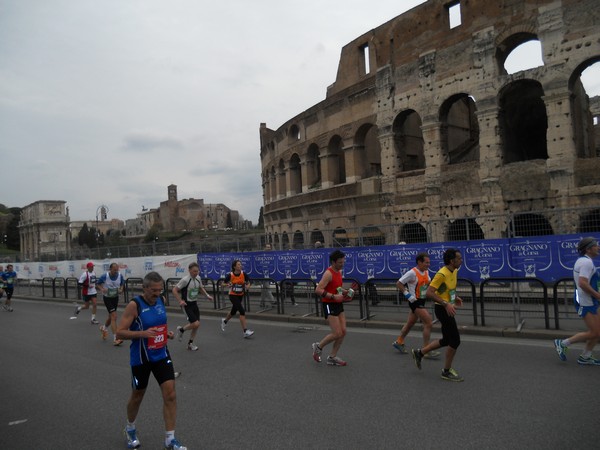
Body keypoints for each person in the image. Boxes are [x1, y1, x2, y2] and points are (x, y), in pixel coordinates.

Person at [116, 271, 187, 450]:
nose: (157, 293)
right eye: (154, 290)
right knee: (138, 395)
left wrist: (167, 333)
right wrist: (142, 334)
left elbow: (159, 324)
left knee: (170, 394)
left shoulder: (161, 300)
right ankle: (130, 428)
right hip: (141, 357)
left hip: (161, 354)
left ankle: (170, 439)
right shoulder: (134, 305)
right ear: (144, 288)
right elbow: (119, 332)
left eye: (160, 290)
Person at [411, 248, 464, 382]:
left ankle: (420, 352)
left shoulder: (454, 271)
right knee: (455, 340)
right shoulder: (441, 274)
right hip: (442, 309)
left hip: (447, 307)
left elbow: (445, 289)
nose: (461, 260)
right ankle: (446, 371)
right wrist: (446, 304)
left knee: (447, 340)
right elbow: (429, 292)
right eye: (459, 258)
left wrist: (455, 297)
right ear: (452, 261)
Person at [554, 237, 600, 365]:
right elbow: (583, 283)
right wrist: (598, 295)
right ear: (588, 249)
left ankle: (586, 356)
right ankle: (562, 343)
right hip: (586, 301)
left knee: (597, 331)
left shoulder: (584, 260)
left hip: (589, 300)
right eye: (596, 246)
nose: (598, 247)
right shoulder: (586, 263)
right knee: (595, 332)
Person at [393, 253, 440, 358]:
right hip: (415, 302)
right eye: (426, 262)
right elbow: (399, 283)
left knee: (410, 323)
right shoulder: (412, 273)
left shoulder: (426, 272)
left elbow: (428, 283)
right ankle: (426, 350)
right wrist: (407, 294)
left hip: (422, 300)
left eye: (429, 262)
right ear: (419, 262)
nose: (428, 264)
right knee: (428, 323)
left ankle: (399, 342)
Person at [312, 249, 350, 366]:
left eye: (343, 262)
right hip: (329, 304)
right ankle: (318, 346)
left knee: (343, 332)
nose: (342, 264)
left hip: (338, 303)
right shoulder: (328, 274)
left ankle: (332, 357)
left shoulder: (339, 272)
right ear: (333, 262)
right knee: (337, 333)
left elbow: (336, 287)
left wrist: (344, 292)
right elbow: (318, 290)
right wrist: (333, 297)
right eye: (340, 262)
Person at [173, 262, 213, 351]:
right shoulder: (185, 280)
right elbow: (174, 290)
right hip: (186, 305)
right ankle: (181, 330)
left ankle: (190, 344)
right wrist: (180, 301)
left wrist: (207, 296)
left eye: (197, 271)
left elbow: (200, 288)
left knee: (196, 325)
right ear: (189, 270)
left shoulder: (198, 278)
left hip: (194, 303)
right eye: (194, 271)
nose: (196, 273)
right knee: (195, 323)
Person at [221, 259, 254, 338]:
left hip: (240, 295)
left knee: (233, 312)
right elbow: (222, 283)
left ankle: (224, 321)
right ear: (234, 267)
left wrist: (248, 285)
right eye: (238, 265)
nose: (240, 266)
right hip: (232, 295)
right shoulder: (231, 275)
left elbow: (249, 281)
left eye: (240, 264)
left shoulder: (243, 274)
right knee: (242, 311)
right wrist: (227, 285)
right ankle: (245, 331)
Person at [96, 262, 125, 345]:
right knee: (114, 316)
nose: (116, 271)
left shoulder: (120, 276)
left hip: (115, 298)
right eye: (114, 270)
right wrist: (102, 289)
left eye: (117, 270)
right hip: (107, 298)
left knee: (110, 316)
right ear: (110, 269)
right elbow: (98, 284)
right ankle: (116, 338)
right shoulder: (105, 276)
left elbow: (122, 284)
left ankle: (104, 328)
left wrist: (121, 289)